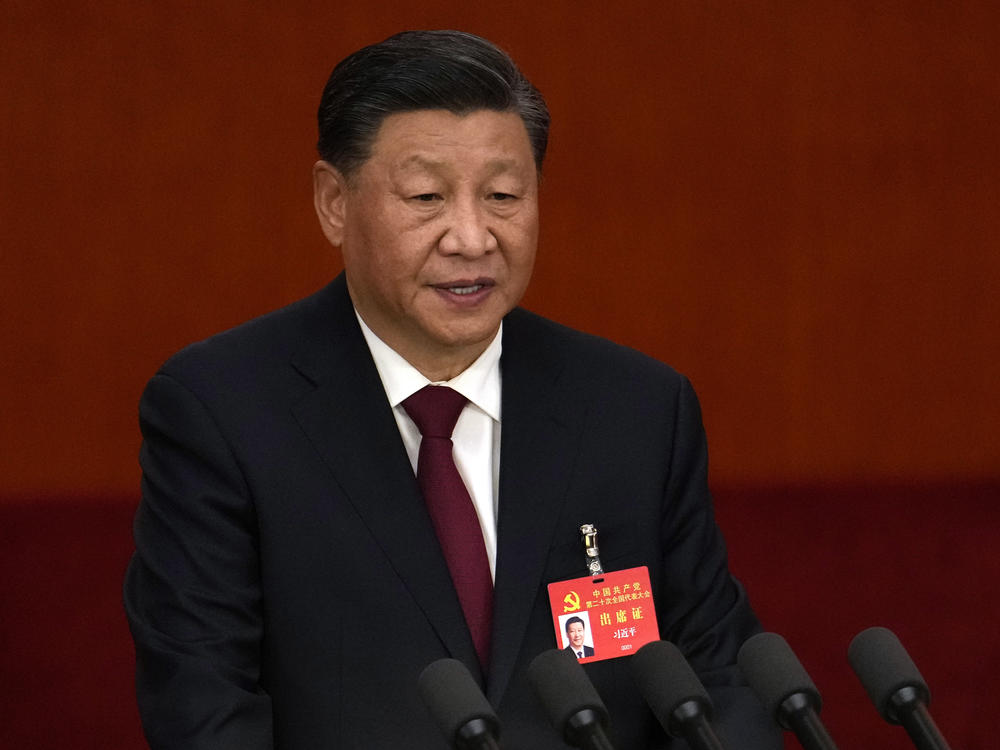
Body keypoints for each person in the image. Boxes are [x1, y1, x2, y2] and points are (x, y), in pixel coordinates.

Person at [124, 30, 780, 749]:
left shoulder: (636, 409)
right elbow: (204, 713)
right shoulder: (223, 410)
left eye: (503, 195)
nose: (471, 237)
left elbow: (722, 678)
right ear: (333, 202)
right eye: (426, 196)